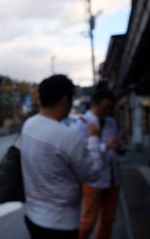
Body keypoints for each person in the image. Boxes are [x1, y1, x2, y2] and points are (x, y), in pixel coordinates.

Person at [16, 74, 103, 239]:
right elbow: (93, 174)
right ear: (65, 99)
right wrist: (93, 139)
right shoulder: (68, 136)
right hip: (61, 225)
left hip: (32, 216)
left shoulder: (29, 125)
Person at [74, 90, 123, 239]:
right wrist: (105, 145)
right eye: (105, 107)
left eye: (110, 108)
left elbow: (114, 145)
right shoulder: (82, 122)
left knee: (108, 220)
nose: (108, 111)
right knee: (88, 221)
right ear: (95, 104)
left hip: (113, 176)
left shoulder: (111, 122)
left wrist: (118, 147)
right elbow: (80, 150)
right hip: (93, 179)